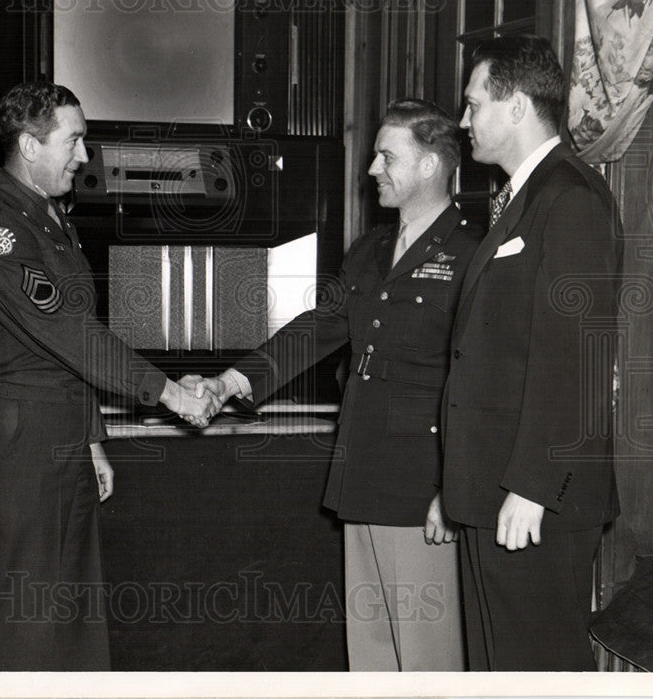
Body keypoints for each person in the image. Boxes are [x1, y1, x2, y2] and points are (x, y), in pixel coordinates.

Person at [189, 99, 480, 671]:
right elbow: (317, 329)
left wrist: (455, 489)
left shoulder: (473, 252)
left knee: (427, 660)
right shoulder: (371, 249)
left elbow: (479, 383)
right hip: (362, 472)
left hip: (423, 488)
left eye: (385, 156)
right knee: (369, 657)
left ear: (428, 165)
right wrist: (229, 382)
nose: (372, 169)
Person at [0, 81, 216, 670]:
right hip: (20, 442)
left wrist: (93, 437)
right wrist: (169, 393)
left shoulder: (48, 218)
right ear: (28, 144)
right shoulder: (0, 231)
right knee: (21, 616)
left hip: (62, 432)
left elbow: (73, 339)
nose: (84, 156)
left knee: (71, 611)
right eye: (73, 141)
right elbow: (72, 336)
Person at [442, 35, 622, 670]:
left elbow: (577, 359)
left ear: (515, 105)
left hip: (532, 499)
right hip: (491, 489)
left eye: (472, 105)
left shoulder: (571, 197)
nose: (462, 123)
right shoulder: (519, 196)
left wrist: (535, 487)